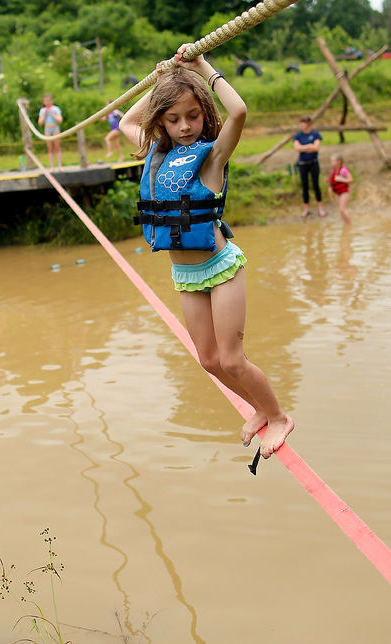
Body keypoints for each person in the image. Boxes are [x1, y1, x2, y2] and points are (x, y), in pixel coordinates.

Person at [120, 44, 294, 461]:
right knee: (209, 361)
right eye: (174, 118)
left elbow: (239, 112)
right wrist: (162, 81)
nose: (185, 127)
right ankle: (259, 408)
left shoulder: (211, 158)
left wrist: (201, 67)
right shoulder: (156, 155)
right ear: (161, 121)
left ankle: (278, 416)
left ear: (204, 115)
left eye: (193, 116)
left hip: (220, 267)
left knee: (232, 360)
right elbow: (127, 119)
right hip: (186, 275)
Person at [294, 115, 325, 217]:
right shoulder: (298, 135)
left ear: (308, 124)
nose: (302, 125)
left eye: (303, 123)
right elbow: (297, 148)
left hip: (313, 163)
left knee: (316, 185)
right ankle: (306, 209)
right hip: (303, 164)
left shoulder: (315, 134)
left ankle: (320, 208)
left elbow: (316, 148)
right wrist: (309, 146)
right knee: (305, 186)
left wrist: (304, 147)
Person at [38, 94, 64, 169]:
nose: (47, 102)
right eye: (46, 101)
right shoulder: (42, 110)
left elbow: (60, 120)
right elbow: (40, 123)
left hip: (55, 128)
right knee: (50, 148)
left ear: (51, 100)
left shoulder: (56, 109)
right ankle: (52, 167)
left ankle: (60, 166)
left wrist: (53, 115)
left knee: (57, 147)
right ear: (43, 102)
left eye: (49, 100)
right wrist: (44, 115)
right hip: (47, 129)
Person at [327, 153, 354, 224]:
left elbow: (351, 179)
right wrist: (328, 180)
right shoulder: (334, 170)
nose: (331, 163)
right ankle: (346, 224)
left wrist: (341, 179)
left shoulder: (343, 170)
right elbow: (334, 181)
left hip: (344, 192)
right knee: (341, 210)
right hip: (337, 192)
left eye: (333, 161)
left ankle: (350, 224)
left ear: (339, 162)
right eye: (331, 161)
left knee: (342, 209)